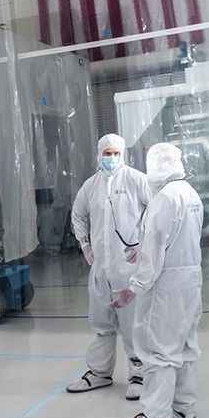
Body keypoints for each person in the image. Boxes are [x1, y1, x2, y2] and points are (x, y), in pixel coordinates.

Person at [111, 142, 204, 418]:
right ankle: (183, 405)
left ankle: (156, 416)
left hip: (166, 285)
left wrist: (133, 289)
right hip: (191, 280)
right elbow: (175, 239)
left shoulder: (164, 198)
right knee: (185, 344)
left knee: (157, 348)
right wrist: (145, 247)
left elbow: (154, 255)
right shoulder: (190, 194)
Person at [65, 134, 152, 399]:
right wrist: (85, 245)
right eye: (107, 153)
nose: (111, 158)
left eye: (116, 153)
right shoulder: (91, 185)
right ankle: (99, 373)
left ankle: (139, 374)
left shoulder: (137, 180)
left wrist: (144, 243)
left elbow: (156, 209)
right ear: (99, 154)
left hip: (129, 267)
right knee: (101, 322)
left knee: (133, 323)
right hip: (100, 269)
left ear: (123, 154)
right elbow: (77, 214)